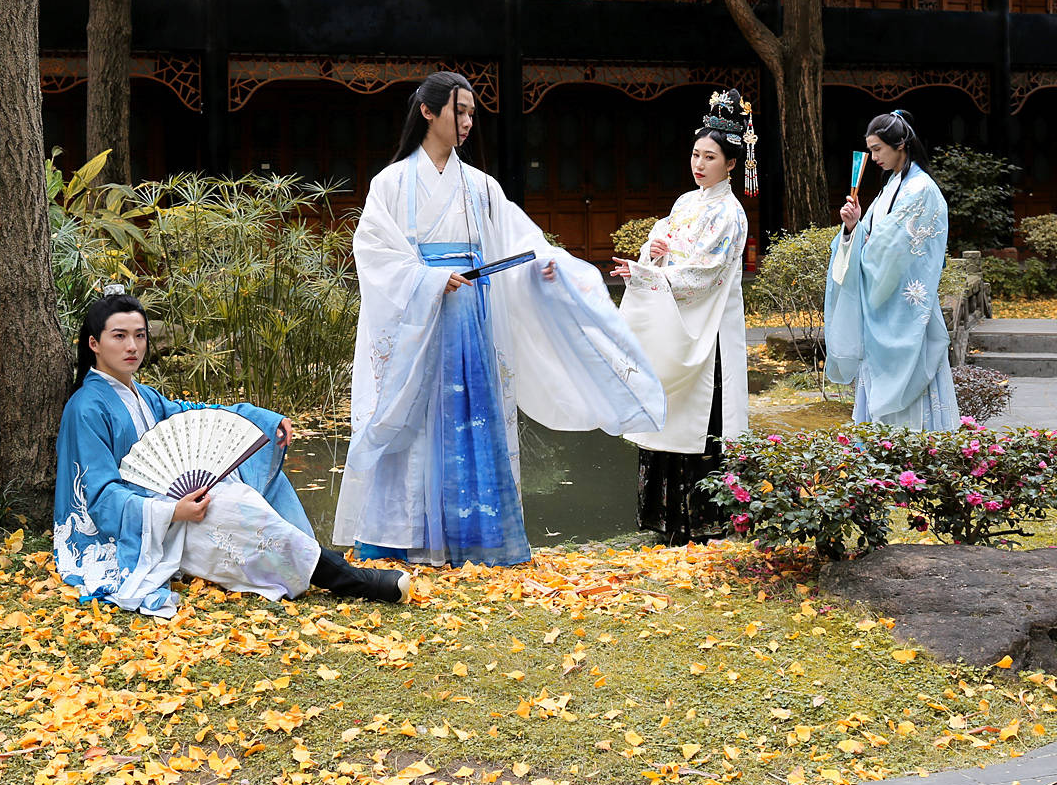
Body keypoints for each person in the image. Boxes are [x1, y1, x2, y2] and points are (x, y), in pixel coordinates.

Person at [336, 71, 666, 567]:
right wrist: (428, 280)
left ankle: (475, 533)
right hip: (421, 324)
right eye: (459, 111)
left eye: (472, 113)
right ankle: (402, 535)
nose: (468, 122)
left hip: (472, 317)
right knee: (417, 419)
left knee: (472, 415)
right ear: (428, 112)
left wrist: (543, 261)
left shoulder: (481, 186)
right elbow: (375, 252)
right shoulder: (391, 182)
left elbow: (517, 240)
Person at [53, 292, 409, 617]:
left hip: (176, 507)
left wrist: (265, 422)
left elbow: (194, 414)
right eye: (120, 336)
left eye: (140, 335)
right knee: (231, 509)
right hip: (138, 526)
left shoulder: (143, 395)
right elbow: (98, 495)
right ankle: (348, 578)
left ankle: (325, 566)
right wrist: (171, 510)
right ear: (94, 344)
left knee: (242, 482)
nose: (133, 346)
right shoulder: (87, 408)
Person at [613, 89, 755, 543]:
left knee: (702, 418)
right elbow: (665, 250)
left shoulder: (730, 214)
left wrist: (658, 271)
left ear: (731, 163)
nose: (699, 164)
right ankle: (667, 520)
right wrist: (651, 256)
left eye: (710, 157)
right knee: (669, 412)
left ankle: (703, 523)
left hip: (707, 329)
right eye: (696, 154)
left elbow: (706, 273)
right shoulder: (685, 203)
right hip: (676, 325)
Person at [823, 109, 959, 429]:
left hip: (907, 312)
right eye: (870, 150)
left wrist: (864, 241)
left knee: (916, 402)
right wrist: (852, 227)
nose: (873, 157)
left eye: (877, 149)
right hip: (883, 310)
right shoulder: (893, 186)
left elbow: (891, 251)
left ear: (900, 144)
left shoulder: (920, 190)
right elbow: (875, 241)